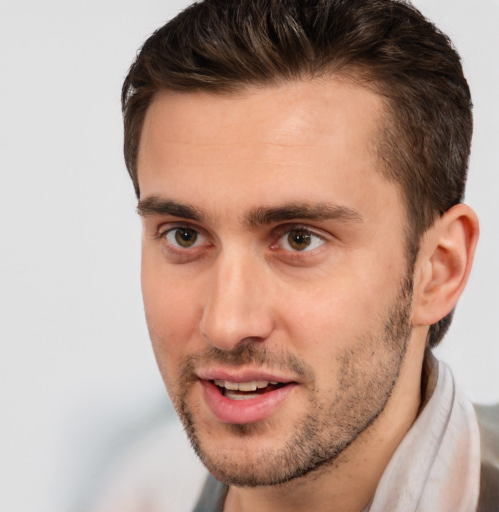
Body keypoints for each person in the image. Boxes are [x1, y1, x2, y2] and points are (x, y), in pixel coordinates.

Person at [120, 0, 499, 510]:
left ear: (438, 270)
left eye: (299, 239)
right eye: (184, 236)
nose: (227, 324)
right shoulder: (142, 492)